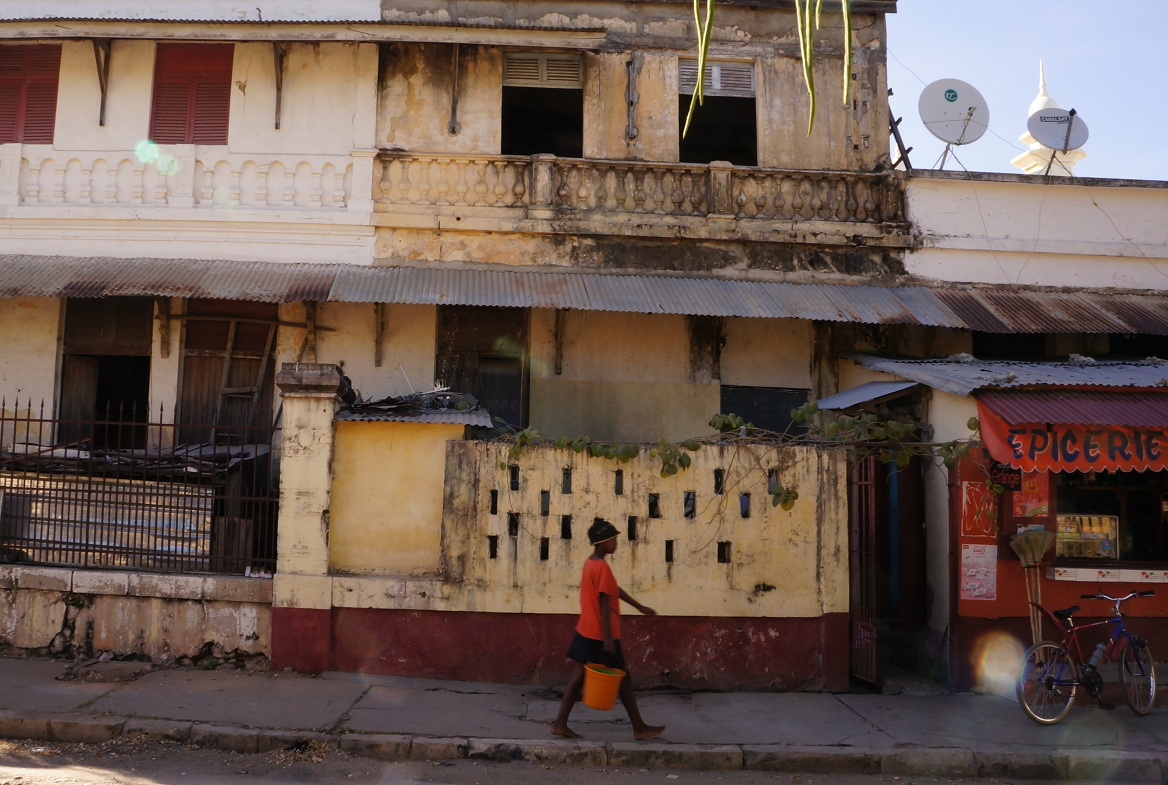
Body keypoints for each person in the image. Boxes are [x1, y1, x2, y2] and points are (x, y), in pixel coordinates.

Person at [551, 519, 665, 740]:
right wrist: (609, 639)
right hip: (600, 635)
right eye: (613, 539)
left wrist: (639, 606)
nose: (616, 543)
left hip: (588, 629)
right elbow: (605, 602)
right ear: (602, 542)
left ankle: (560, 724)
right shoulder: (601, 566)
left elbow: (613, 590)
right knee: (621, 676)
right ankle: (639, 728)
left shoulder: (591, 563)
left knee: (585, 677)